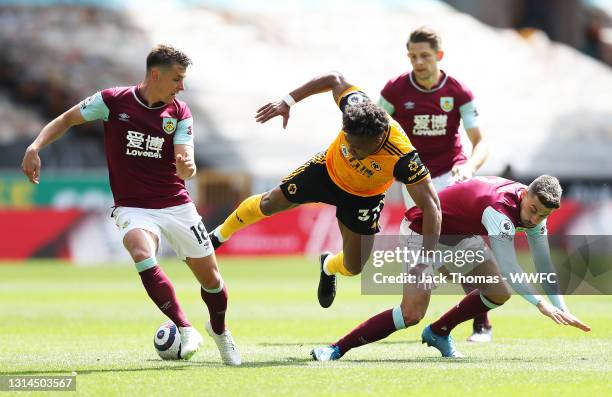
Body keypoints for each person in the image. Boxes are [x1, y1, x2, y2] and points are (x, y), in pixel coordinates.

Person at [21, 44, 241, 366]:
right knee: (141, 252)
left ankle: (219, 331)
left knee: (212, 282)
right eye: (177, 79)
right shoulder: (112, 101)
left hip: (176, 205)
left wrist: (187, 167)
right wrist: (35, 145)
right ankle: (184, 326)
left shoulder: (179, 112)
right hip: (133, 207)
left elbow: (185, 156)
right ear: (156, 74)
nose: (182, 87)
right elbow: (67, 119)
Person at [208, 71, 441, 308]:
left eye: (358, 149)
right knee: (270, 202)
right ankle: (218, 236)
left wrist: (425, 259)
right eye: (348, 142)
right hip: (326, 171)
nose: (351, 151)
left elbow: (432, 208)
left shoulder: (403, 158)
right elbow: (334, 78)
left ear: (378, 138)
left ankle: (328, 265)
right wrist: (287, 101)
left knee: (354, 267)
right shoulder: (356, 106)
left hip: (363, 197)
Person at [311, 175, 591, 361]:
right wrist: (541, 304)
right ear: (525, 194)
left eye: (542, 215)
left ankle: (439, 332)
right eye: (532, 209)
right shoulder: (499, 211)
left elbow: (544, 264)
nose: (534, 219)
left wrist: (562, 308)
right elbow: (509, 266)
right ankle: (336, 348)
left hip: (457, 236)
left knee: (498, 293)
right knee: (411, 313)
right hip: (422, 232)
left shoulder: (534, 212)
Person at [378, 27, 492, 342]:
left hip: (449, 175)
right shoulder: (395, 90)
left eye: (425, 55)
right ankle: (473, 317)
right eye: (413, 56)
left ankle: (481, 323)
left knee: (457, 247)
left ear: (439, 56)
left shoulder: (458, 92)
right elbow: (373, 129)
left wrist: (469, 166)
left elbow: (480, 142)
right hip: (413, 179)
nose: (419, 62)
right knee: (441, 257)